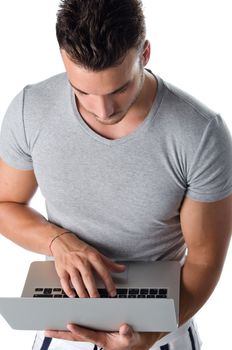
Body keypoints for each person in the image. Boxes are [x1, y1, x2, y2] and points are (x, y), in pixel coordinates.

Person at [0, 0, 232, 349]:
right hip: (66, 323)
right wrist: (57, 241)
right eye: (83, 92)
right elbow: (5, 203)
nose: (103, 110)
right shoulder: (29, 110)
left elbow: (204, 259)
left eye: (119, 88)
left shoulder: (200, 134)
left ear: (146, 53)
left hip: (161, 326)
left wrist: (148, 338)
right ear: (63, 59)